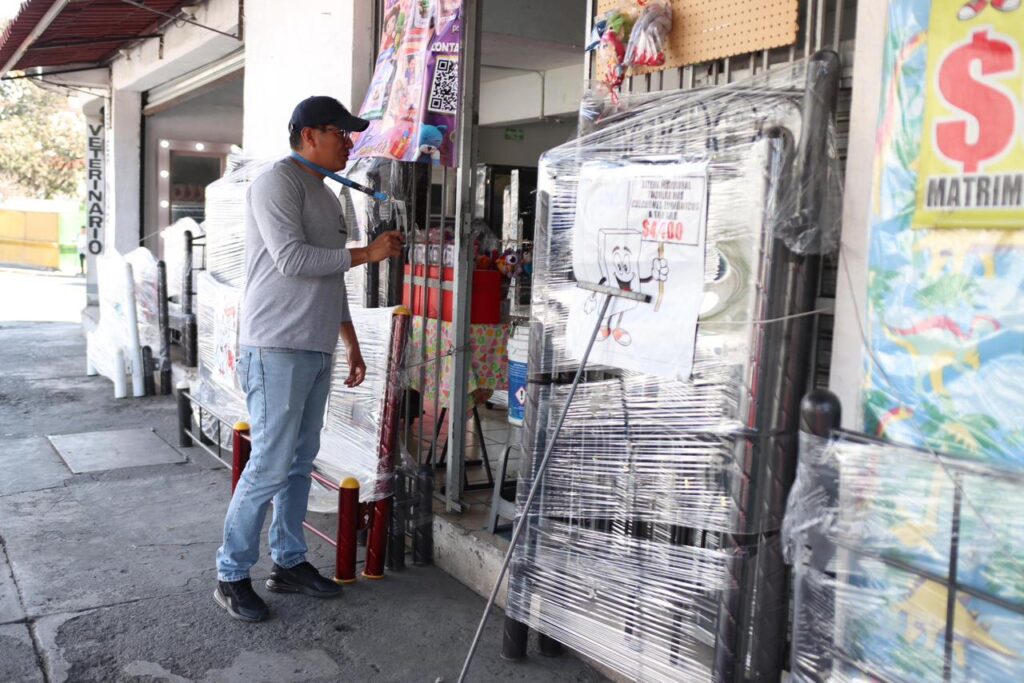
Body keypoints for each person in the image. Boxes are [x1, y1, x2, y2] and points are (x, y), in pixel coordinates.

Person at [214, 96, 404, 622]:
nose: (349, 142)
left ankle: (289, 562)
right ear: (308, 135)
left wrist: (351, 341)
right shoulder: (277, 183)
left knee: (300, 463)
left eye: (350, 134)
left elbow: (330, 275)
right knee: (269, 465)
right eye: (339, 133)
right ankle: (231, 573)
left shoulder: (326, 194)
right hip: (275, 345)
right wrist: (368, 253)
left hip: (316, 347)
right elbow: (292, 259)